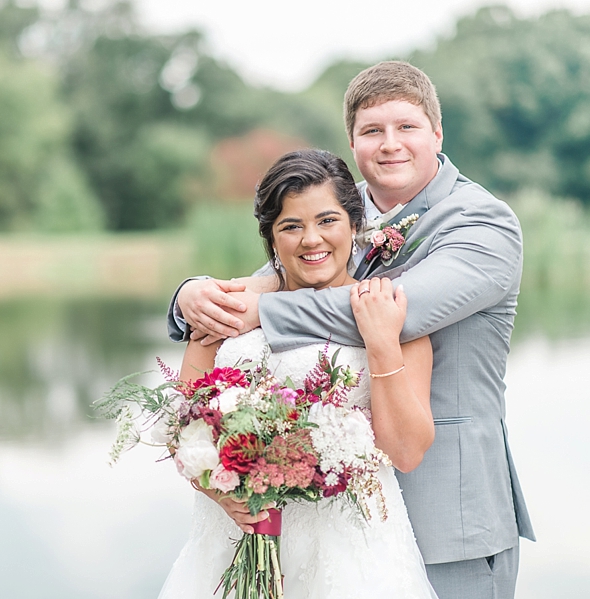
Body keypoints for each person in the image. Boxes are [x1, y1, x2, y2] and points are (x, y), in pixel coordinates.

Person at [168, 62, 535, 599]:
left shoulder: (483, 223)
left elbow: (394, 310)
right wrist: (192, 298)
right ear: (353, 142)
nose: (390, 145)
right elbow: (277, 276)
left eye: (406, 127)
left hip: (447, 512)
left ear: (437, 131)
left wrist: (260, 314)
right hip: (311, 520)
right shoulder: (335, 208)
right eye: (372, 131)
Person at [159, 148, 438, 598]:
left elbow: (405, 453)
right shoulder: (227, 314)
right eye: (291, 226)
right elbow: (183, 427)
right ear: (270, 237)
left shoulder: (389, 314)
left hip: (348, 549)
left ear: (354, 224)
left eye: (328, 220)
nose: (312, 239)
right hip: (234, 538)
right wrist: (220, 488)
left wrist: (382, 344)